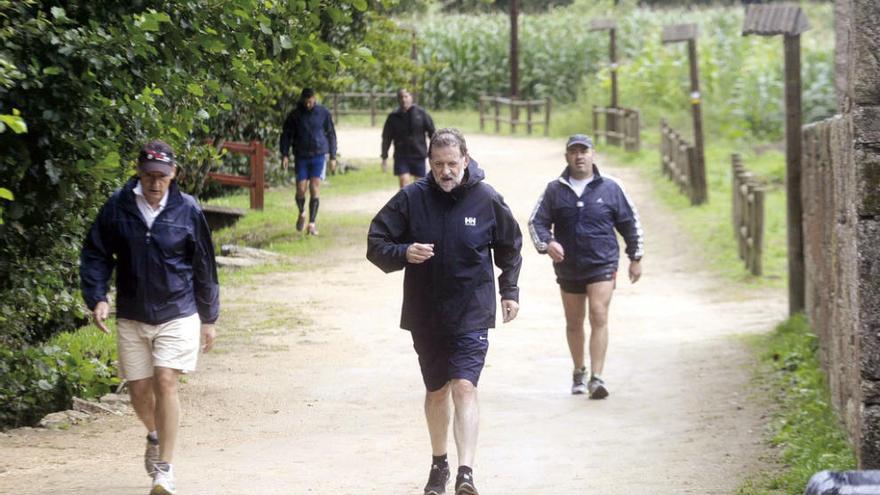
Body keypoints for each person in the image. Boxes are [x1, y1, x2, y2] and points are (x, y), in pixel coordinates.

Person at [367, 128, 522, 495]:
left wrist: (509, 291)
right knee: (437, 390)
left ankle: (466, 472)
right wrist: (404, 253)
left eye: (452, 163)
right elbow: (376, 242)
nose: (446, 171)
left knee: (465, 386)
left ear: (466, 160)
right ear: (429, 164)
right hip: (427, 311)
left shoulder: (486, 199)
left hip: (472, 310)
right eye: (438, 165)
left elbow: (510, 246)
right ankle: (440, 464)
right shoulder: (411, 198)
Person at [80, 140, 220, 495]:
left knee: (165, 380)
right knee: (140, 390)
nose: (155, 182)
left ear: (174, 175)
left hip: (178, 309)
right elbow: (96, 253)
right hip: (132, 312)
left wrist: (209, 317)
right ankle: (155, 434)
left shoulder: (188, 209)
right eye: (148, 175)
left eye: (162, 175)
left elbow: (203, 264)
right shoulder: (118, 206)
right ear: (138, 173)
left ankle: (165, 471)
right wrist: (98, 296)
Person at [528, 134, 643, 399]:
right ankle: (579, 370)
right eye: (574, 151)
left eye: (584, 151)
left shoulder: (611, 188)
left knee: (599, 314)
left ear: (594, 154)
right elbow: (536, 223)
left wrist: (636, 257)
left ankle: (597, 377)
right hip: (568, 266)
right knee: (574, 320)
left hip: (602, 262)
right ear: (567, 156)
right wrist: (548, 243)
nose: (579, 156)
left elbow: (629, 222)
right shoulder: (554, 189)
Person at [279, 87, 338, 236]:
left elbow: (331, 134)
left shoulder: (323, 113)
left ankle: (312, 223)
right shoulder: (295, 115)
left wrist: (332, 156)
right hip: (301, 155)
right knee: (300, 189)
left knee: (314, 187)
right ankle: (302, 212)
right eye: (305, 102)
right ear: (302, 100)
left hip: (318, 155)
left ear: (314, 98)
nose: (308, 104)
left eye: (310, 101)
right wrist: (284, 154)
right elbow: (286, 135)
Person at [381, 88, 436, 189]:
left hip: (418, 154)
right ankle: (406, 204)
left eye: (406, 96)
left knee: (420, 185)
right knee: (404, 181)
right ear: (398, 99)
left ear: (411, 97)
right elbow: (386, 138)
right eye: (401, 97)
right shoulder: (393, 117)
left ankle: (418, 204)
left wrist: (435, 153)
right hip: (401, 155)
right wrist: (384, 157)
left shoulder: (421, 113)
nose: (403, 99)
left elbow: (432, 133)